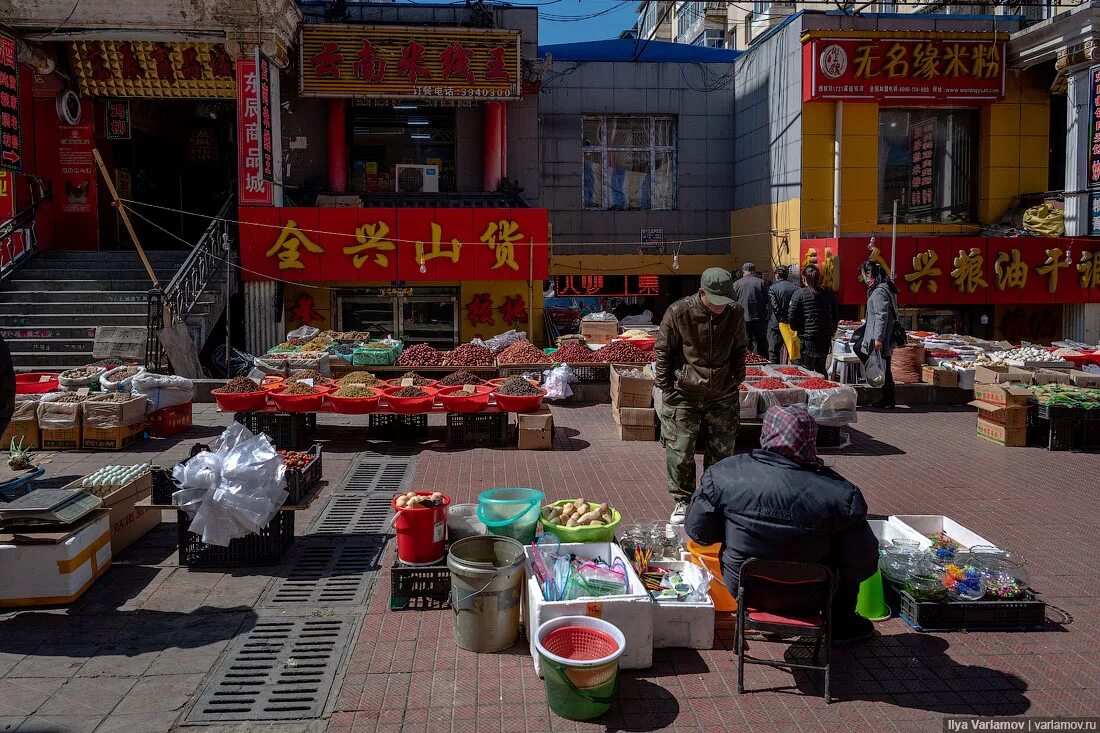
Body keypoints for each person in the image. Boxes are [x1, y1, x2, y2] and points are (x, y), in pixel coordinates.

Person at [683, 405, 879, 644]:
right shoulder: (841, 493)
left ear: (766, 434)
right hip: (814, 595)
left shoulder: (724, 473)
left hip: (746, 588)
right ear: (811, 440)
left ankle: (770, 619)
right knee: (848, 555)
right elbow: (864, 564)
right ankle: (840, 624)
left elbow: (698, 533)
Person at [655, 267, 748, 524]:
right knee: (680, 450)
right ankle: (683, 501)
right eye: (716, 302)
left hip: (723, 394)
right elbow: (662, 351)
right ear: (701, 293)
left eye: (725, 302)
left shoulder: (735, 312)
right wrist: (667, 388)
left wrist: (736, 378)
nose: (721, 308)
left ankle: (715, 498)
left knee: (722, 453)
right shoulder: (679, 312)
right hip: (684, 393)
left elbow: (741, 347)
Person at [787, 263, 839, 377]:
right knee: (821, 367)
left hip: (808, 338)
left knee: (807, 370)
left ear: (804, 278)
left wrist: (797, 328)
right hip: (824, 337)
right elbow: (835, 314)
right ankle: (825, 390)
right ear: (818, 277)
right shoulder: (828, 293)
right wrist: (831, 330)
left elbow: (792, 316)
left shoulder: (799, 293)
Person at [859, 260, 899, 408]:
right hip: (883, 335)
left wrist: (878, 338)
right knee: (885, 366)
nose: (863, 278)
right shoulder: (886, 287)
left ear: (870, 274)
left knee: (884, 367)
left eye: (864, 274)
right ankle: (888, 398)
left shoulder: (879, 291)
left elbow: (881, 315)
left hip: (881, 336)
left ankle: (888, 399)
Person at [732, 262, 769, 357]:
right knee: (762, 343)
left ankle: (746, 363)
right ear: (754, 272)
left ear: (743, 272)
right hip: (759, 318)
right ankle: (764, 363)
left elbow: (733, 302)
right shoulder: (761, 282)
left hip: (743, 319)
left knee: (745, 344)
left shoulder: (736, 284)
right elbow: (767, 300)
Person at [766, 265, 798, 364]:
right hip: (792, 325)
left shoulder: (773, 288)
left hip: (776, 324)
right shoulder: (796, 288)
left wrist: (782, 320)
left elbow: (775, 307)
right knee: (792, 351)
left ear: (777, 275)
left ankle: (775, 372)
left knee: (773, 351)